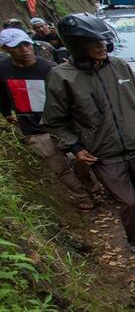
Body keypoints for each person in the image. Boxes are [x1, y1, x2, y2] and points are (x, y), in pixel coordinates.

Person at [41, 13, 135, 259]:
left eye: (104, 42)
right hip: (104, 154)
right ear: (78, 45)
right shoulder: (62, 77)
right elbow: (54, 121)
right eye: (95, 43)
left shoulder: (120, 66)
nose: (103, 47)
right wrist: (76, 147)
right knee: (129, 203)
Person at [0, 28, 95, 210]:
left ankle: (89, 183)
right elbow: (2, 93)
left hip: (62, 124)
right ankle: (82, 196)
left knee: (81, 159)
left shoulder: (50, 69)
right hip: (33, 128)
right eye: (18, 47)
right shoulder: (3, 69)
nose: (25, 50)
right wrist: (6, 112)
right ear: (6, 49)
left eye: (27, 44)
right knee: (59, 167)